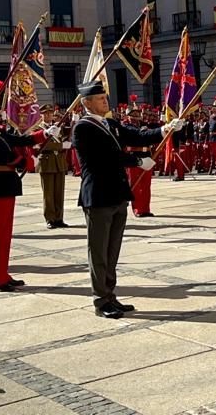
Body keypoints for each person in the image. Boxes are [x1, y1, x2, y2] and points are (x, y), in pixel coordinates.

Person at [72, 80, 184, 318]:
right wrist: (137, 161)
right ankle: (101, 300)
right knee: (99, 252)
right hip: (98, 196)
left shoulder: (109, 123)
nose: (105, 100)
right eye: (100, 98)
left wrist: (165, 129)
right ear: (87, 103)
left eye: (105, 96)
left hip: (117, 194)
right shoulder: (83, 128)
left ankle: (111, 296)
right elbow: (103, 158)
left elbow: (135, 136)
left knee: (112, 251)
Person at [0, 88, 59, 292]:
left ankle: (3, 273)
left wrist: (44, 133)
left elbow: (21, 141)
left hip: (4, 186)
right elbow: (6, 158)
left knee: (4, 234)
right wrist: (27, 161)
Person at [35, 104, 70, 229]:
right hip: (47, 162)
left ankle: (59, 218)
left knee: (59, 192)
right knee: (48, 194)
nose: (49, 115)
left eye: (50, 113)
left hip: (59, 162)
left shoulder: (57, 127)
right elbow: (41, 146)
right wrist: (61, 146)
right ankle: (50, 218)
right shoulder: (38, 129)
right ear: (41, 115)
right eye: (46, 113)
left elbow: (66, 137)